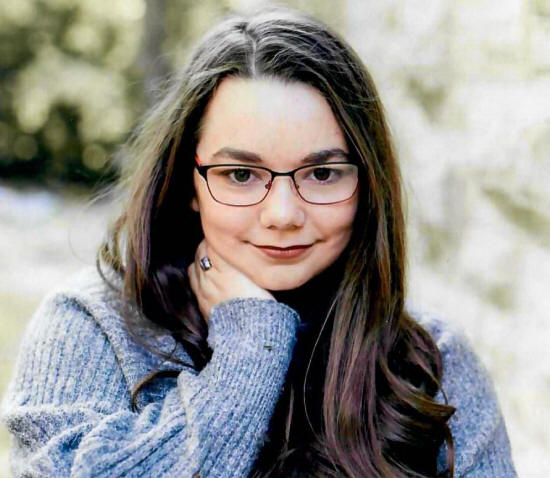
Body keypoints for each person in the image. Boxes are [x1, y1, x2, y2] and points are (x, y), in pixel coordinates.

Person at [1, 5, 517, 478]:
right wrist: (249, 350)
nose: (283, 215)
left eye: (322, 173)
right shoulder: (91, 328)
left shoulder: (434, 361)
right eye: (241, 175)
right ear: (187, 183)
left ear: (368, 185)